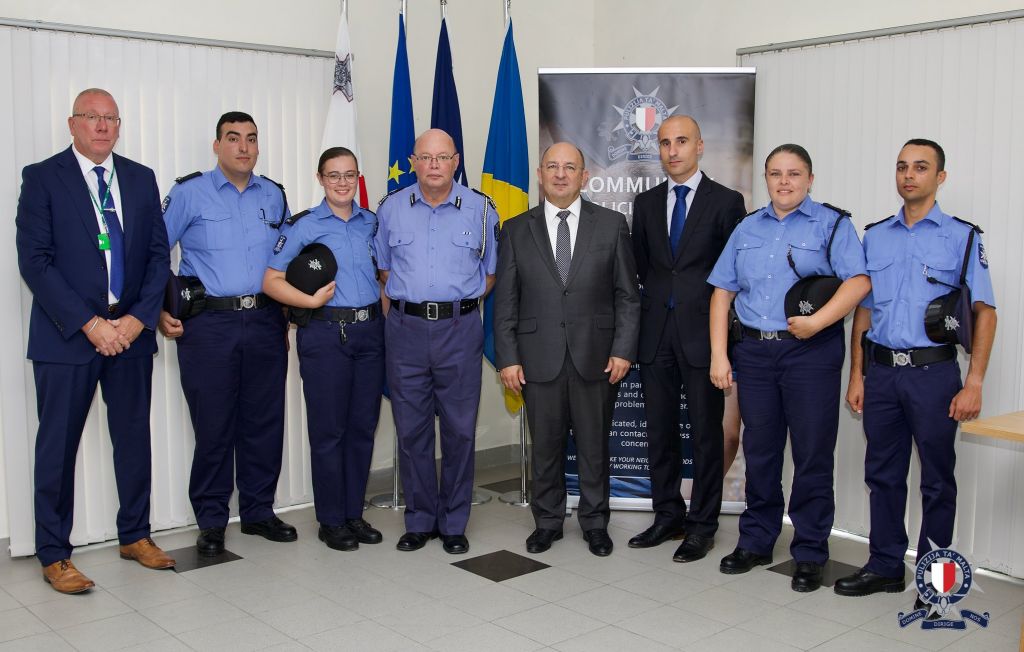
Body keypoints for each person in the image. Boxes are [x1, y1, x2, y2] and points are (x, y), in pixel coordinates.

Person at [16, 88, 174, 593]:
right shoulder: (43, 178)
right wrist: (90, 324)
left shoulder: (139, 178)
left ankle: (135, 535)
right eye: (92, 117)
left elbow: (156, 257)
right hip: (68, 337)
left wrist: (137, 320)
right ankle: (54, 553)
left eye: (111, 119)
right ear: (73, 123)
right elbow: (35, 263)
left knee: (133, 440)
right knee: (57, 446)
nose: (103, 127)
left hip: (130, 334)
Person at [835, 139, 996, 601]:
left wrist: (975, 382)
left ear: (939, 177)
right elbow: (863, 313)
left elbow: (985, 312)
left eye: (921, 168)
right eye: (903, 167)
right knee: (882, 474)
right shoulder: (877, 235)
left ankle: (935, 579)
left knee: (937, 479)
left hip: (934, 376)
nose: (909, 175)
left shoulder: (962, 236)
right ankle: (885, 565)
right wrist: (857, 375)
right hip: (883, 374)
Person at [708, 144, 870, 592]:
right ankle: (756, 540)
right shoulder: (746, 227)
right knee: (759, 451)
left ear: (810, 179)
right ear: (766, 178)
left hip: (811, 354)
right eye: (776, 174)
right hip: (755, 354)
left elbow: (859, 281)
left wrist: (819, 321)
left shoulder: (833, 224)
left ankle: (811, 550)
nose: (784, 182)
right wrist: (720, 355)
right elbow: (722, 291)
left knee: (812, 452)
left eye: (794, 174)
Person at [493, 142, 641, 557]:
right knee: (545, 447)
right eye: (552, 167)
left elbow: (627, 295)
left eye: (569, 167)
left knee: (595, 446)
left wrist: (623, 349)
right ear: (540, 174)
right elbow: (505, 301)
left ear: (584, 176)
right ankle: (547, 522)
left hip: (596, 356)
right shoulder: (516, 228)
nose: (560, 174)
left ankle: (595, 523)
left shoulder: (611, 225)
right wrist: (507, 357)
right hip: (537, 358)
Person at [160, 111, 296, 556]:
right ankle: (213, 519)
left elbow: (291, 255)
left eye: (251, 139)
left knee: (263, 422)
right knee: (214, 424)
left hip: (264, 321)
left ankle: (258, 512)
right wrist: (162, 308)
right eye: (233, 138)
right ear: (216, 145)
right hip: (208, 326)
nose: (244, 147)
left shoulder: (273, 195)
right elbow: (153, 251)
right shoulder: (189, 193)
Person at [374, 128, 498, 555]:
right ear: (413, 162)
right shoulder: (391, 209)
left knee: (461, 431)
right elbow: (385, 272)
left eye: (441, 157)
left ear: (455, 161)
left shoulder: (481, 210)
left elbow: (491, 273)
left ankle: (454, 522)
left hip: (459, 331)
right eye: (425, 158)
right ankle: (420, 519)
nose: (433, 165)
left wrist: (453, 306)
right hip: (406, 330)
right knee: (411, 431)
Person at [628, 115, 746, 561]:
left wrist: (722, 344)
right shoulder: (646, 203)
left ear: (700, 146)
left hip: (704, 336)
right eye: (664, 143)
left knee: (705, 436)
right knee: (658, 431)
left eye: (681, 141)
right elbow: (644, 267)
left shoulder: (727, 201)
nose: (672, 150)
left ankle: (702, 525)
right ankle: (667, 515)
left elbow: (733, 274)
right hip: (655, 333)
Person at [262, 147, 384, 552]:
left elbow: (385, 276)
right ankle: (331, 520)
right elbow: (271, 280)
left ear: (358, 177)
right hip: (326, 335)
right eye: (334, 176)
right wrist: (310, 303)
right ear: (320, 179)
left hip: (369, 335)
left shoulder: (372, 222)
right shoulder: (304, 225)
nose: (343, 183)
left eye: (350, 175)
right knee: (329, 431)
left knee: (362, 428)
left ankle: (353, 513)